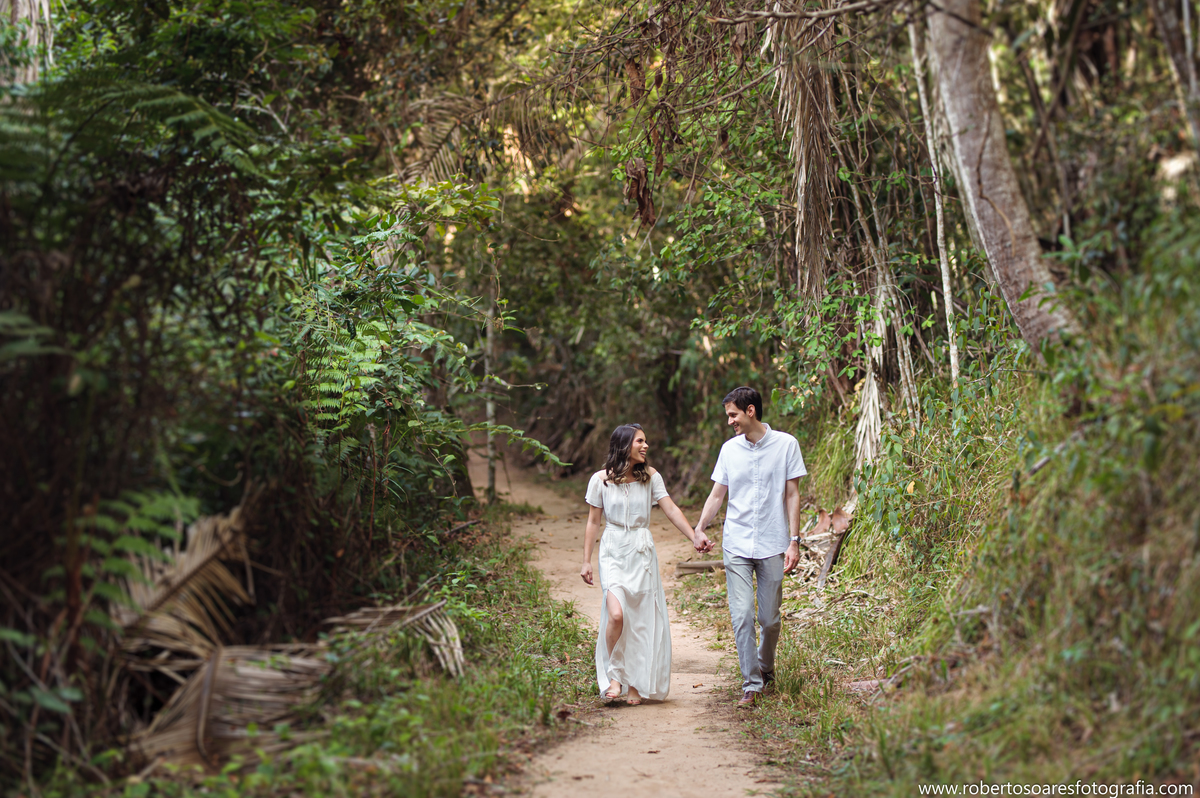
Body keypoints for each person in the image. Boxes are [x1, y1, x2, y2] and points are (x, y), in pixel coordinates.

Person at [580, 423, 709, 705]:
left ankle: (635, 684)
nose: (645, 446)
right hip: (613, 549)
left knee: (639, 620)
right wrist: (586, 560)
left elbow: (671, 508)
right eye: (640, 441)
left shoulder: (651, 477)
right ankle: (615, 677)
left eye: (646, 441)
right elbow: (593, 521)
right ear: (624, 445)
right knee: (616, 614)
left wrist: (693, 536)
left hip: (641, 552)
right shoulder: (600, 480)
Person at [694, 387, 805, 708]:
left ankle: (765, 667)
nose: (730, 421)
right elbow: (717, 495)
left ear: (751, 411)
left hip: (773, 542)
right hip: (737, 543)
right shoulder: (729, 450)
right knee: (742, 615)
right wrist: (700, 527)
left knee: (769, 620)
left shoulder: (786, 445)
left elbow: (792, 495)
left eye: (733, 415)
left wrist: (794, 541)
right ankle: (752, 683)